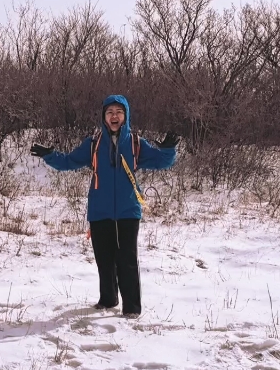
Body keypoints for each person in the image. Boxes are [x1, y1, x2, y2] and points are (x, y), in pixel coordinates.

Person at [30, 95, 179, 318]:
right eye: (110, 112)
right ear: (104, 117)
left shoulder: (136, 143)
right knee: (104, 259)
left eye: (119, 111)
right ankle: (108, 299)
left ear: (126, 116)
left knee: (127, 259)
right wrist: (49, 155)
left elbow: (162, 161)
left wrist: (168, 150)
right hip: (100, 211)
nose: (114, 116)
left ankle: (132, 308)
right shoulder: (94, 144)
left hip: (128, 211)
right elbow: (68, 162)